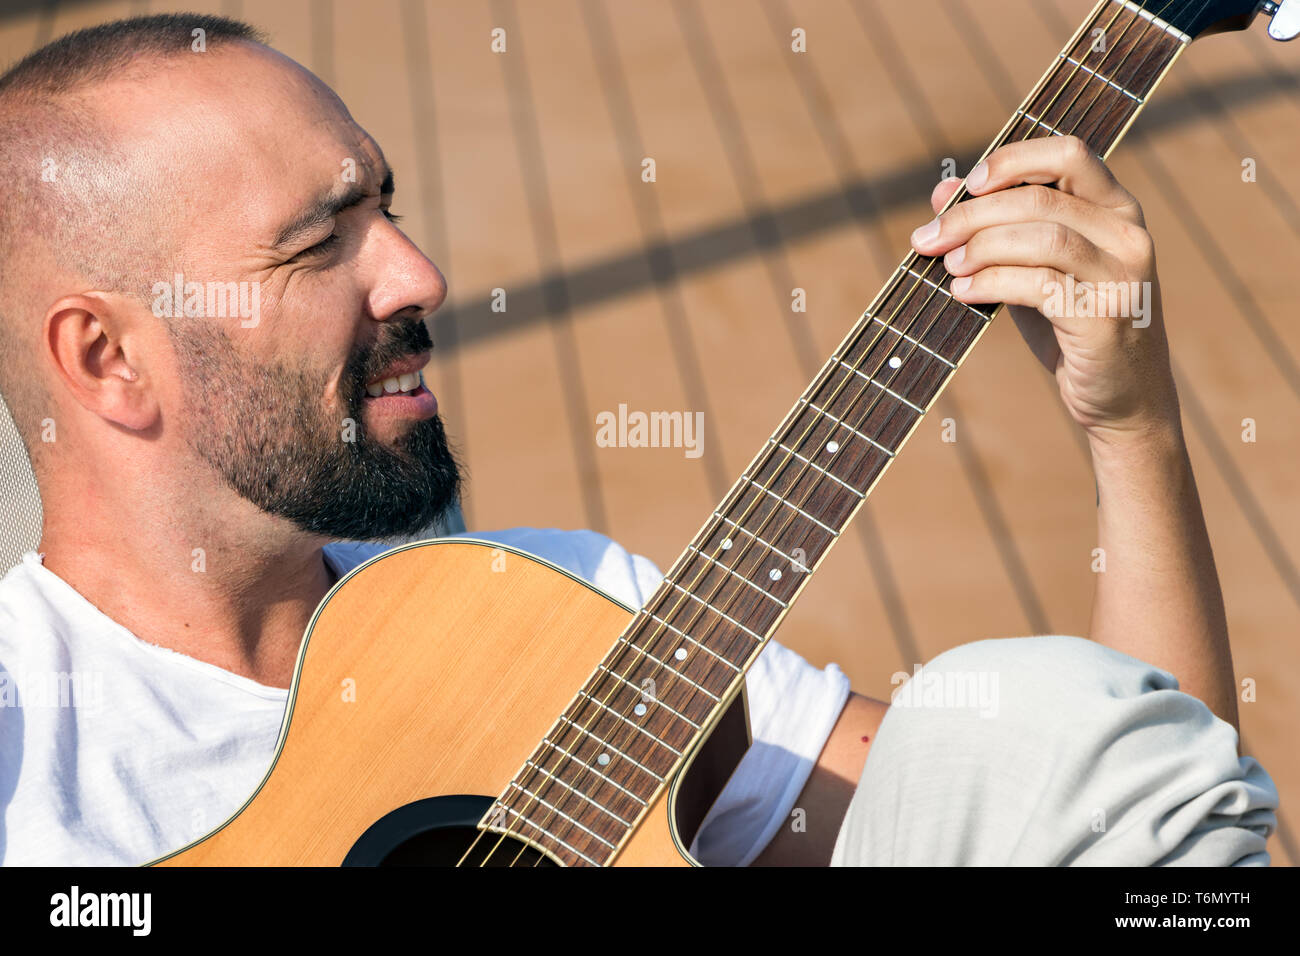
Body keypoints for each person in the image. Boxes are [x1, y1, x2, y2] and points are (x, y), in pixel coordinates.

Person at [0, 15, 1276, 868]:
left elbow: (1132, 807)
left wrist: (1130, 427)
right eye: (318, 241)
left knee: (1057, 713)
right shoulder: (31, 754)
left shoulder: (551, 615)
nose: (420, 273)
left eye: (387, 206)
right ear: (107, 359)